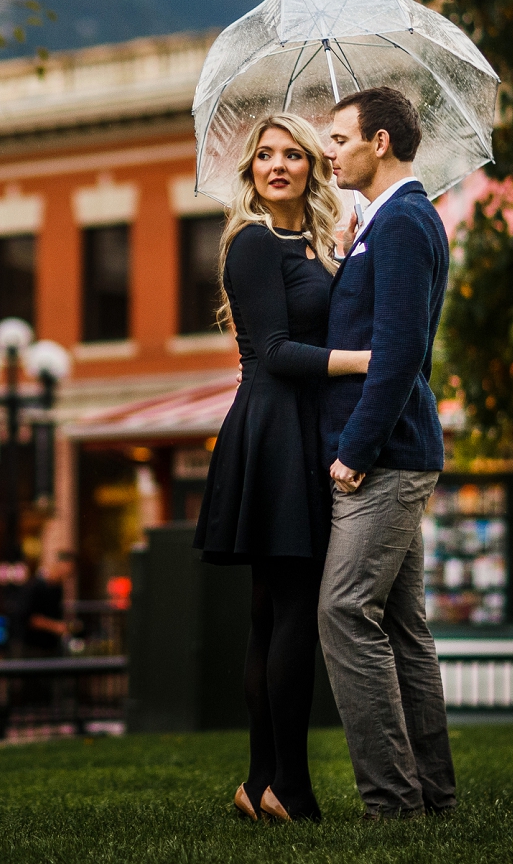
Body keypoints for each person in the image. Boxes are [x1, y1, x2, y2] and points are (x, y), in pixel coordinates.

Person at [194, 113, 373, 825]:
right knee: (291, 609)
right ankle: (288, 788)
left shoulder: (314, 244)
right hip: (272, 430)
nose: (277, 165)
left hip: (305, 427)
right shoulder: (251, 243)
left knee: (273, 614)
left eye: (292, 154)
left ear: (311, 166)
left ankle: (258, 781)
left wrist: (344, 260)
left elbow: (323, 315)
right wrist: (366, 360)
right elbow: (272, 350)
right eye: (264, 154)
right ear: (251, 171)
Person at [318, 85, 456, 819]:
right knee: (403, 628)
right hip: (401, 451)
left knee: (343, 611)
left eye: (339, 139)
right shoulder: (388, 221)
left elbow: (398, 351)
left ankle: (392, 801)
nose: (328, 151)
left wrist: (354, 449)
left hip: (386, 455)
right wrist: (348, 255)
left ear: (378, 142)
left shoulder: (401, 220)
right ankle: (430, 796)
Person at [23, 551, 75, 657]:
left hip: (50, 646)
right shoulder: (36, 586)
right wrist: (56, 627)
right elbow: (31, 618)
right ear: (59, 565)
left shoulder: (58, 588)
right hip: (34, 647)